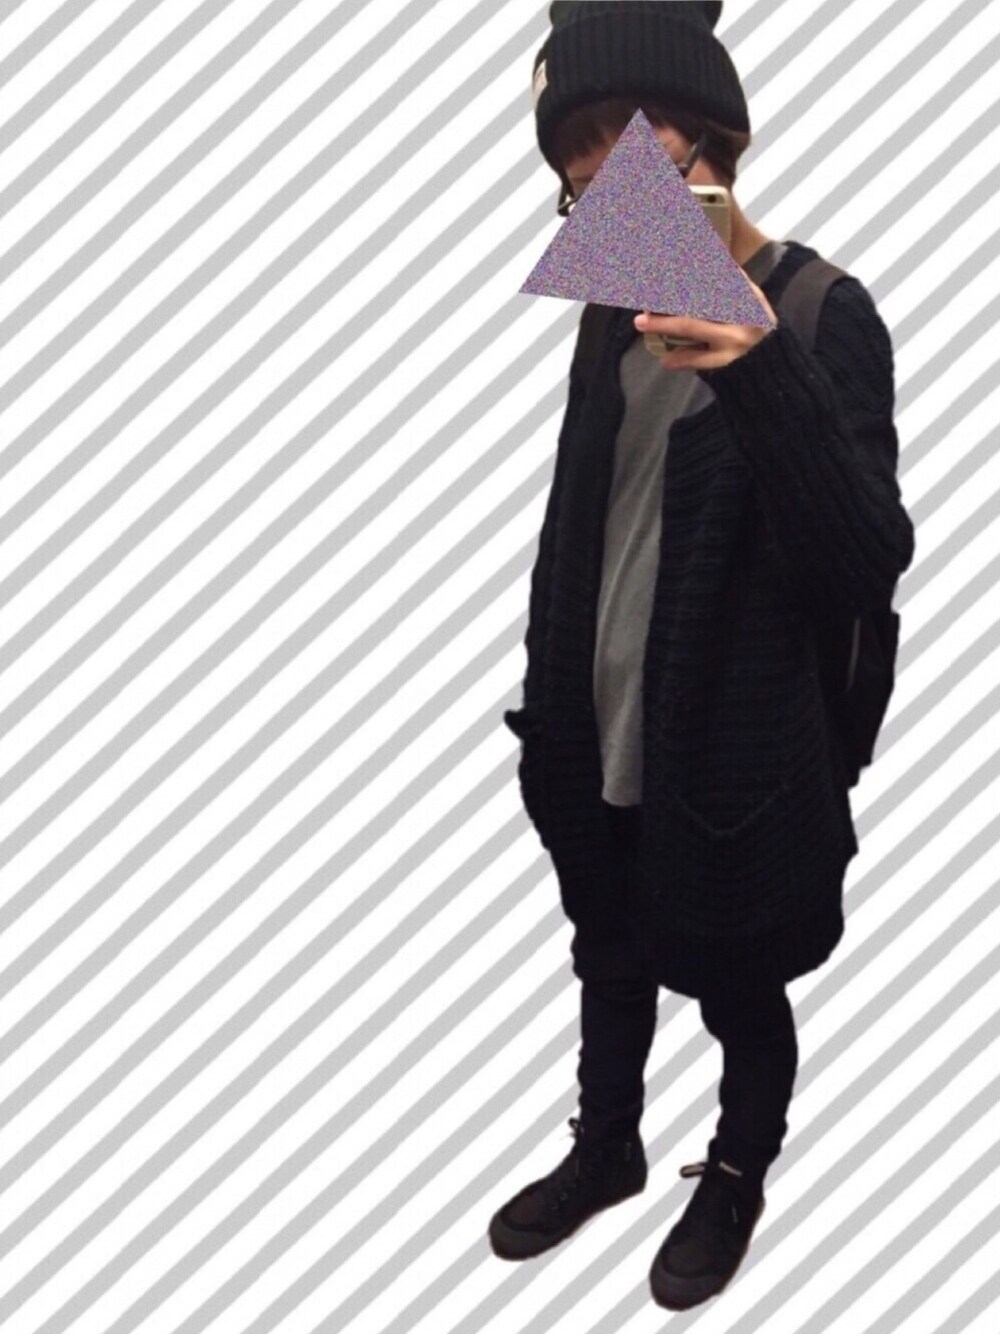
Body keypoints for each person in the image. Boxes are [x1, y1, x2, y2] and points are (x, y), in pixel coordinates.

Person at [489, 0, 915, 1314]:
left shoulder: (823, 308)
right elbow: (585, 518)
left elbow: (864, 557)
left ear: (714, 136)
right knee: (608, 959)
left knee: (740, 982)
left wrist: (760, 371)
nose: (607, 168)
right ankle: (607, 1144)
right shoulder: (611, 313)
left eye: (637, 132)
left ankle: (735, 1169)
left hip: (730, 757)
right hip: (594, 734)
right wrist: (550, 706)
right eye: (579, 148)